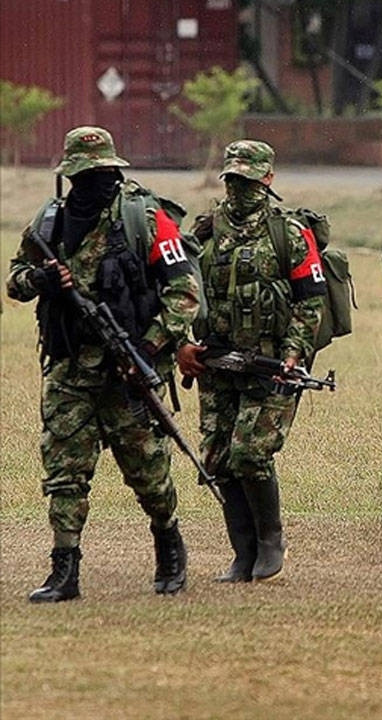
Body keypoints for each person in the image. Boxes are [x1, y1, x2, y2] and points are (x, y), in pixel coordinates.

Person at [6, 126, 200, 601]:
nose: (90, 183)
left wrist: (150, 349)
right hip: (69, 368)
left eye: (99, 174)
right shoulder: (50, 222)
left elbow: (184, 293)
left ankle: (168, 543)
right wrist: (40, 279)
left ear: (113, 171)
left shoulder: (145, 217)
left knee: (148, 470)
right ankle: (64, 569)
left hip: (128, 370)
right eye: (82, 175)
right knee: (64, 470)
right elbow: (14, 280)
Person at [176, 141, 327, 582]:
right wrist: (183, 345)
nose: (240, 188)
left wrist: (293, 354)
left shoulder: (289, 234)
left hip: (270, 363)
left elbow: (309, 303)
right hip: (217, 362)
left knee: (251, 452)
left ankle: (269, 542)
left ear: (268, 180)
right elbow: (177, 291)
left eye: (249, 179)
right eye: (233, 180)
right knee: (218, 456)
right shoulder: (206, 231)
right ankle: (241, 552)